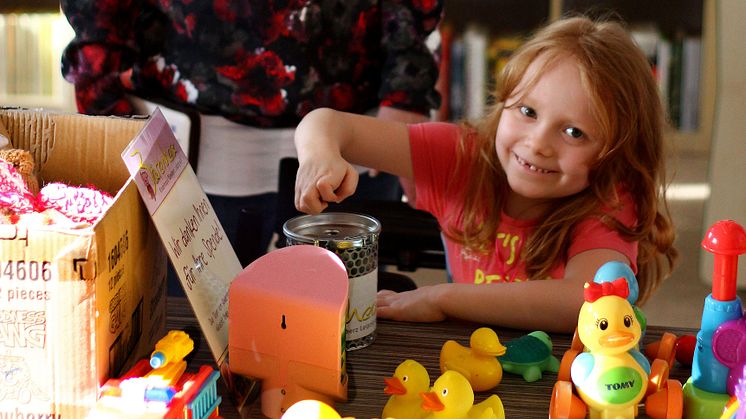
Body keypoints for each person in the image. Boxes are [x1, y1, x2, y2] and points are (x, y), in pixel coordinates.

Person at [293, 16, 678, 333]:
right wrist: (319, 155)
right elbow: (327, 123)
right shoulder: (461, 154)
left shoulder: (610, 198)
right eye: (528, 112)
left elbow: (584, 300)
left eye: (574, 132)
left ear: (615, 155)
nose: (537, 143)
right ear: (505, 101)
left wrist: (441, 298)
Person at [59, 1, 443, 272]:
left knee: (349, 347)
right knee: (185, 353)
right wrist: (105, 112)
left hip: (355, 155)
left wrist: (408, 87)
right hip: (187, 166)